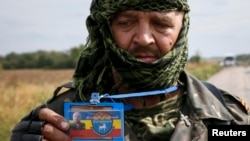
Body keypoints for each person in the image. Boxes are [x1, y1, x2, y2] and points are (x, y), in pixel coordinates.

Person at [10, 0, 250, 141]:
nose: (144, 38)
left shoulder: (227, 117)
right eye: (126, 22)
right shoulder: (63, 117)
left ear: (181, 29)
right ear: (105, 29)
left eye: (161, 24)